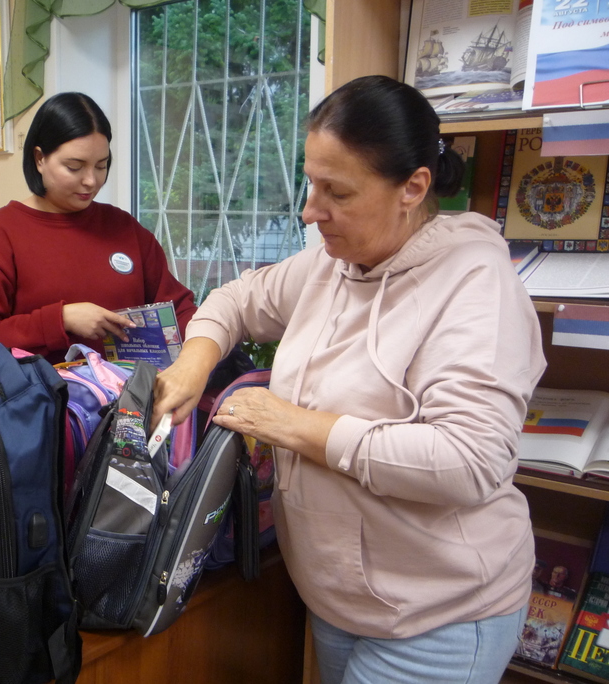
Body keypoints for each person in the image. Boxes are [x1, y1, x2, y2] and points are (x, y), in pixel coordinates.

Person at [152, 74, 546, 683]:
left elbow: (471, 459)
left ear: (412, 187)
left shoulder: (477, 289)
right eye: (312, 183)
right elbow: (233, 300)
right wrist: (192, 363)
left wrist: (295, 425)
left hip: (437, 614)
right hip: (337, 601)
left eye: (335, 192)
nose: (311, 212)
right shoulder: (331, 265)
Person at [0, 92, 196, 364]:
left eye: (101, 165)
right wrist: (60, 320)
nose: (91, 181)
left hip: (126, 401)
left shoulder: (124, 228)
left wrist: (208, 343)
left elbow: (178, 311)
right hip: (40, 402)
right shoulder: (0, 233)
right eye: (74, 167)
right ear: (40, 158)